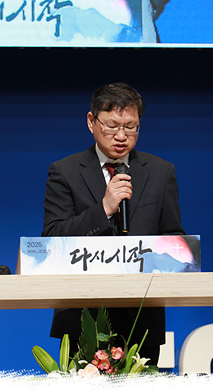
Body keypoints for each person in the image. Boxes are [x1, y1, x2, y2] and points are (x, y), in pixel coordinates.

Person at [42, 82, 185, 366]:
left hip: (141, 321)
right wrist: (104, 209)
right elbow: (53, 239)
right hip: (82, 318)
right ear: (91, 121)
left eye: (131, 127)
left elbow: (174, 239)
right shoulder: (65, 172)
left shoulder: (161, 172)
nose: (121, 136)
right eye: (112, 126)